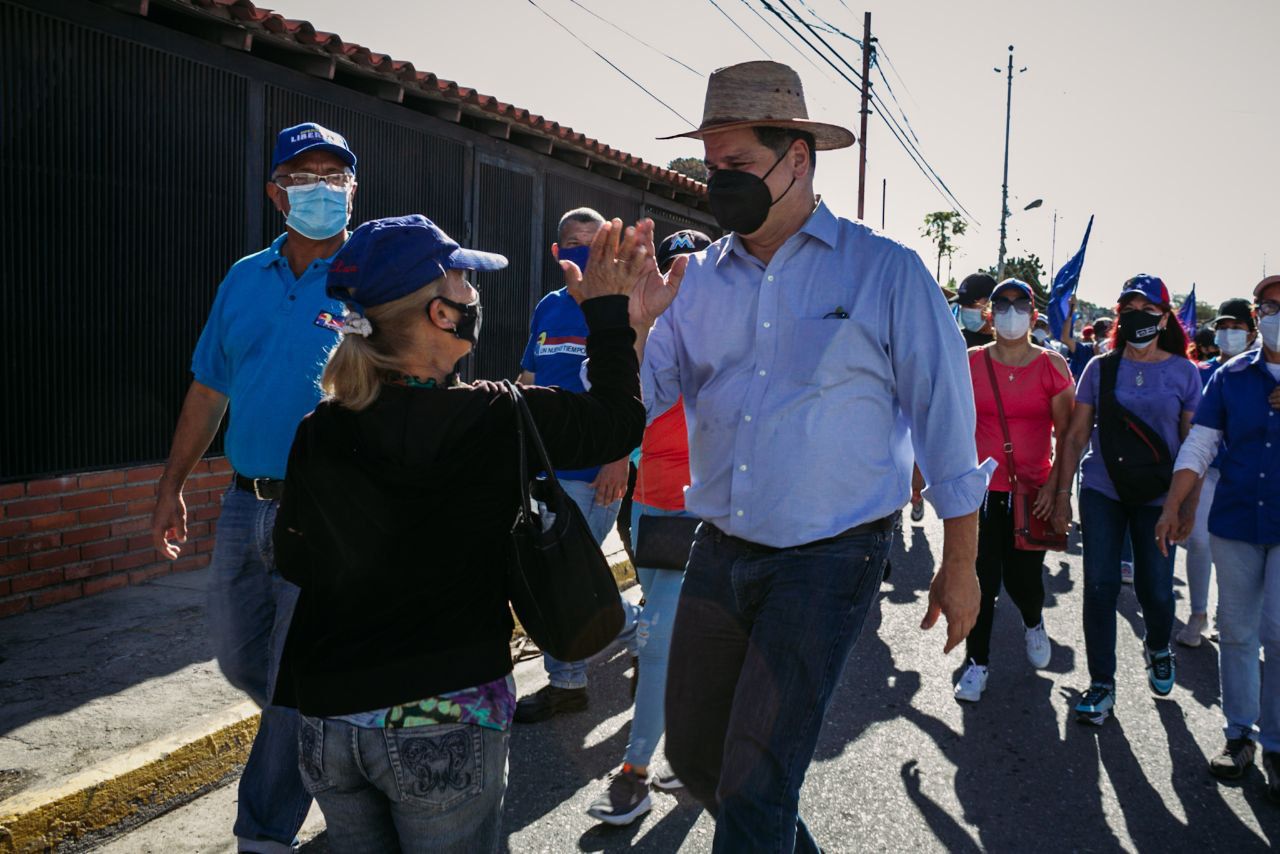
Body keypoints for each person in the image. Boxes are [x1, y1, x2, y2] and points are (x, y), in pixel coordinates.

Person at [639, 61, 990, 852]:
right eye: (710, 166)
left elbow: (945, 422)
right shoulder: (695, 281)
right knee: (697, 759)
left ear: (797, 157)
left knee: (757, 787)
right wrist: (631, 323)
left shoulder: (885, 271)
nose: (716, 182)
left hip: (827, 558)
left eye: (735, 165)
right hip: (719, 547)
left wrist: (960, 560)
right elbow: (652, 395)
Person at [272, 214, 658, 851]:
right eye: (464, 281)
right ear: (441, 316)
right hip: (442, 714)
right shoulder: (496, 417)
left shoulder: (321, 427)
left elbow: (293, 557)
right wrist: (613, 316)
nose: (475, 294)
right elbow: (618, 423)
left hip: (328, 718)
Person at [149, 122, 357, 853]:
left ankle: (263, 832)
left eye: (338, 177)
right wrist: (172, 483)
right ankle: (336, 755)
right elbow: (208, 391)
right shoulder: (243, 277)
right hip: (244, 503)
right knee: (245, 661)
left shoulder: (373, 275)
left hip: (328, 510)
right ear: (277, 193)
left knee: (291, 679)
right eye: (307, 177)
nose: (324, 190)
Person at [586, 229, 711, 826]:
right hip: (652, 508)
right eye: (671, 271)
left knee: (658, 641)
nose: (679, 283)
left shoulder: (732, 332)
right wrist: (634, 331)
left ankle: (637, 773)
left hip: (712, 514)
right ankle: (698, 758)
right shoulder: (645, 335)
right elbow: (620, 402)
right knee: (679, 641)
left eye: (694, 271)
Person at [1054, 274, 1201, 725]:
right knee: (1098, 586)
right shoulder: (1100, 368)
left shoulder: (1184, 372)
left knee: (1154, 590)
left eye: (1147, 310)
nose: (1137, 318)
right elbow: (1077, 435)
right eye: (1128, 310)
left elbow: (1192, 444)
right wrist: (1061, 494)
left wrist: (1186, 508)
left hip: (1159, 497)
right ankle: (1101, 685)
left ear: (1164, 317)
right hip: (1103, 489)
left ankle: (1158, 646)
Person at [514, 207, 640, 723]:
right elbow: (527, 376)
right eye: (572, 244)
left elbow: (639, 390)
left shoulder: (622, 308)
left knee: (573, 582)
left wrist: (619, 460)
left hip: (595, 473)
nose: (582, 254)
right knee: (563, 580)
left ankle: (652, 640)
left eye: (594, 244)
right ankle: (570, 682)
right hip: (544, 470)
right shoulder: (548, 307)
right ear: (556, 251)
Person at [1156, 275, 1280, 802]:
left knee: (1277, 631)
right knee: (1236, 630)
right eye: (1268, 305)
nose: (1275, 313)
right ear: (1257, 315)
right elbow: (1200, 446)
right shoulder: (1230, 377)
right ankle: (1239, 736)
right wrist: (1174, 504)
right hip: (1235, 523)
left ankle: (1276, 742)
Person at [953, 280, 1075, 702]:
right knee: (982, 581)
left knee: (1024, 582)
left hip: (1032, 495)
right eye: (1001, 305)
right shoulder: (970, 362)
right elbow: (951, 424)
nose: (1009, 313)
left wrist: (1058, 491)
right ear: (989, 316)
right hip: (982, 494)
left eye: (1019, 305)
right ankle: (977, 663)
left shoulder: (1052, 366)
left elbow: (1070, 436)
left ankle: (1033, 620)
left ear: (1033, 316)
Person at [1176, 297, 1259, 647]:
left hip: (1248, 479)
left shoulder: (1265, 373)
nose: (1228, 334)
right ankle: (1198, 613)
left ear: (1252, 332)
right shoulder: (1203, 372)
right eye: (1222, 327)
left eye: (1236, 328)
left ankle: (1228, 616)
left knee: (1236, 551)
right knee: (1198, 543)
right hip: (1208, 473)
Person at [952, 272, 998, 347]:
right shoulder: (955, 340)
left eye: (970, 305)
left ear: (990, 304)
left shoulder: (1005, 345)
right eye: (962, 304)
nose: (964, 310)